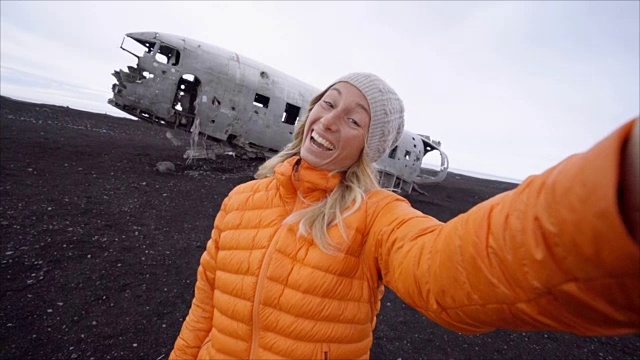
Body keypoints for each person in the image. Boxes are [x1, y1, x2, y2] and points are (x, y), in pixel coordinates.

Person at [169, 73, 639, 359]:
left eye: (354, 120)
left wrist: (610, 207)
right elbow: (205, 309)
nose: (331, 121)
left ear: (367, 149)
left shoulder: (376, 214)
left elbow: (444, 269)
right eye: (328, 103)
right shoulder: (240, 200)